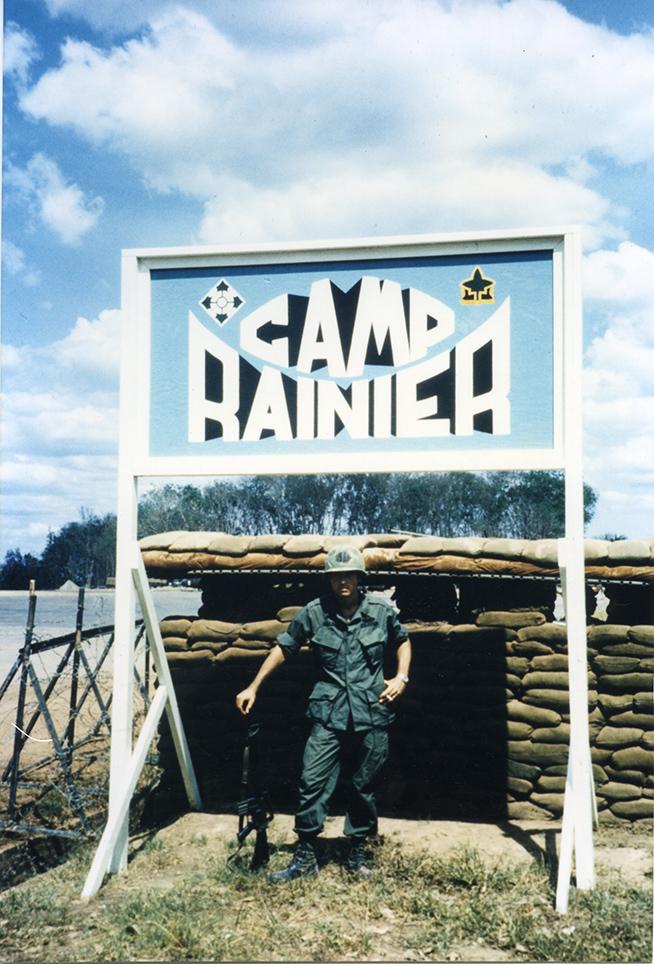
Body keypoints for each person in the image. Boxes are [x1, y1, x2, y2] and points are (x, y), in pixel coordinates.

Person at [235, 544, 412, 882]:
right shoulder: (315, 613)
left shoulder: (380, 611)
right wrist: (253, 686)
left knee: (363, 785)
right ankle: (305, 856)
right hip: (328, 714)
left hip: (371, 712)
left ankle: (357, 851)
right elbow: (284, 647)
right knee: (312, 781)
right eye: (336, 576)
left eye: (349, 576)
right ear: (329, 580)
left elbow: (402, 640)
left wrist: (401, 677)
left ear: (359, 578)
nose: (342, 581)